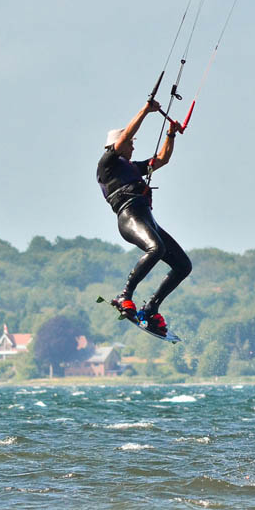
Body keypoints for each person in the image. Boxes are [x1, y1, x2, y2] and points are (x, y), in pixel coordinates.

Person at [97, 99, 192, 336]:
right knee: (155, 249)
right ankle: (124, 296)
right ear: (118, 144)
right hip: (129, 217)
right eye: (130, 143)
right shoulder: (107, 164)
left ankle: (151, 308)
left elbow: (161, 160)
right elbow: (126, 136)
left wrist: (171, 134)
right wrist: (145, 111)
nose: (133, 147)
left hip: (147, 218)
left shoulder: (131, 166)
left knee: (183, 265)